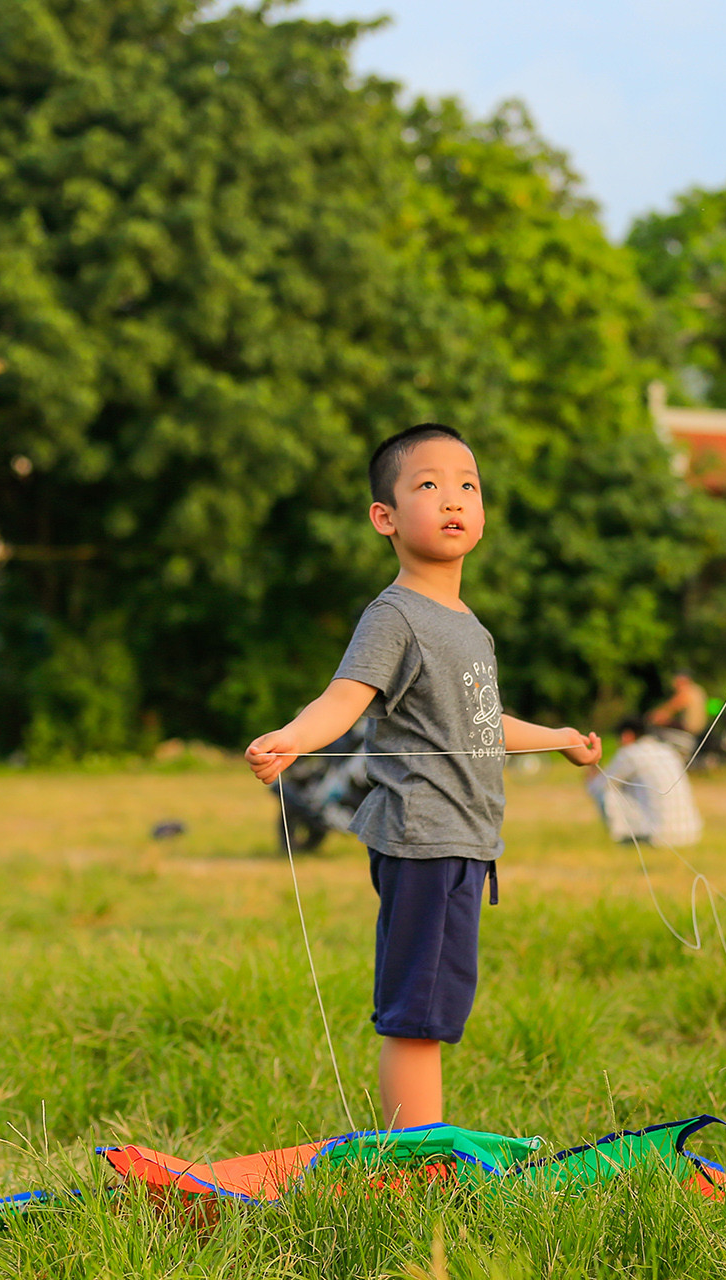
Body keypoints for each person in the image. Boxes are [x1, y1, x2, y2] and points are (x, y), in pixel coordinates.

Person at [246, 423, 602, 1130]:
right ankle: (415, 1155)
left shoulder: (467, 624)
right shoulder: (396, 615)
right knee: (418, 1012)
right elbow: (345, 698)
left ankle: (418, 1146)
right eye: (429, 485)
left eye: (467, 485)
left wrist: (559, 738)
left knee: (432, 1004)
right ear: (386, 517)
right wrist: (292, 737)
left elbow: (481, 725)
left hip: (463, 840)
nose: (454, 499)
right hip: (426, 837)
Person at [586, 718, 703, 846]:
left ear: (627, 736)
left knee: (608, 793)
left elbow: (596, 787)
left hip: (658, 837)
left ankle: (626, 839)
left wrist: (591, 762)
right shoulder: (668, 750)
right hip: (691, 834)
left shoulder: (629, 753)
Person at [646, 671, 710, 737]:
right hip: (697, 732)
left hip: (688, 731)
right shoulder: (697, 689)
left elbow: (669, 709)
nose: (674, 685)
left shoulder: (687, 691)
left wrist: (651, 717)